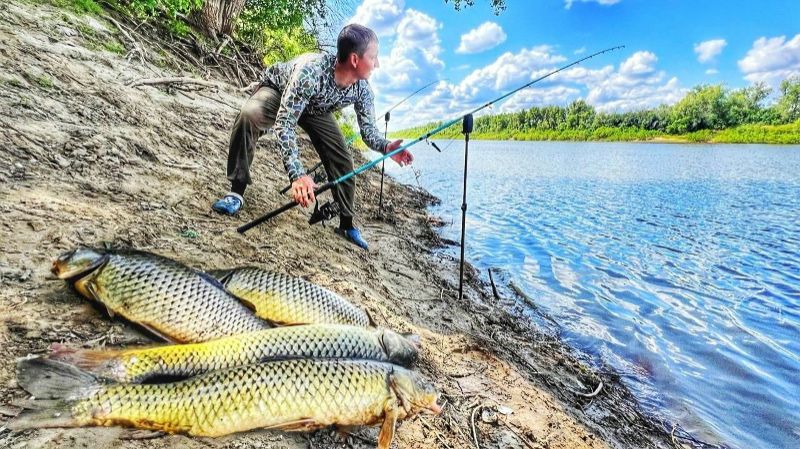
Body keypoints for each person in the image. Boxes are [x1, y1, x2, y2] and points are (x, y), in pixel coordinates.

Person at [212, 24, 413, 251]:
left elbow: (368, 131)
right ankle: (235, 193)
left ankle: (347, 224)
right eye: (374, 57)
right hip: (280, 92)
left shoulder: (363, 90)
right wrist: (298, 175)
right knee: (249, 116)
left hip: (316, 110)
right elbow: (285, 124)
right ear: (355, 60)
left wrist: (386, 146)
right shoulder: (311, 73)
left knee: (343, 160)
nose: (377, 64)